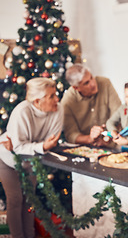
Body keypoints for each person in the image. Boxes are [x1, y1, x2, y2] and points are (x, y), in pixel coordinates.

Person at [0, 78, 63, 238]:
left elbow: (52, 140)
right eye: (51, 96)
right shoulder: (22, 112)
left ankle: (30, 235)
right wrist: (41, 147)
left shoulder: (58, 109)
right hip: (7, 158)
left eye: (55, 94)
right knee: (15, 200)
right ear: (37, 101)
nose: (57, 99)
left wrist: (42, 147)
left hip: (31, 160)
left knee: (30, 200)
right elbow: (18, 147)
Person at [61, 63, 121, 147]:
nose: (93, 84)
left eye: (91, 78)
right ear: (76, 88)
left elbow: (119, 114)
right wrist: (90, 138)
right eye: (86, 83)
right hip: (85, 149)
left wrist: (107, 138)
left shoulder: (105, 83)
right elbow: (71, 135)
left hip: (113, 143)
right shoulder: (67, 102)